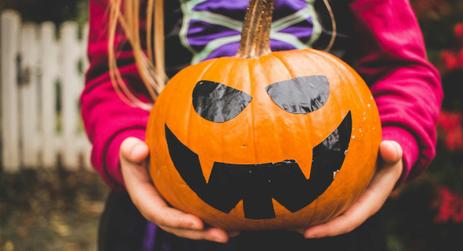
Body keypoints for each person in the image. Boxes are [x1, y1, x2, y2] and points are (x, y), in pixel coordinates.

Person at [81, 0, 443, 250]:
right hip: (165, 224)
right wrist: (126, 151)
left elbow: (402, 68)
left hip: (334, 222)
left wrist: (397, 140)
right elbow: (114, 80)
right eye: (217, 104)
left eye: (303, 97)